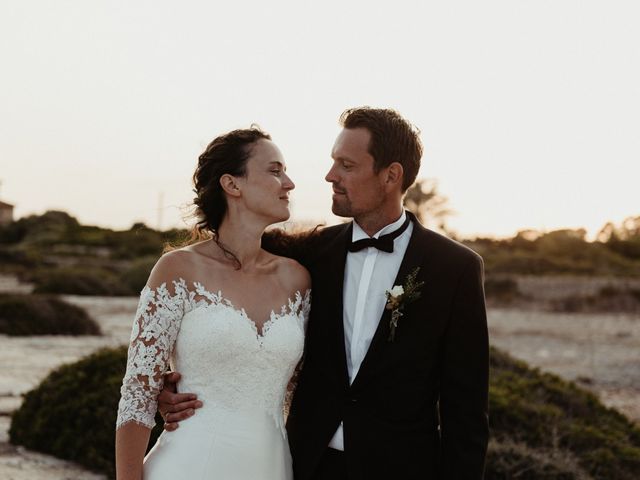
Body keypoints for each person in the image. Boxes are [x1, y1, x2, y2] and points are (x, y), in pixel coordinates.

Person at [160, 107, 489, 479]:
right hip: (306, 463)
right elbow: (221, 275)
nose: (330, 176)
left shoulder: (455, 268)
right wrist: (171, 382)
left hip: (401, 468)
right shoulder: (307, 254)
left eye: (346, 165)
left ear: (391, 176)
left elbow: (467, 410)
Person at [115, 127, 311, 480]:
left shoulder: (297, 280)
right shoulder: (177, 269)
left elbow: (307, 387)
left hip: (272, 468)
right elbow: (137, 396)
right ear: (232, 185)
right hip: (186, 466)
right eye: (275, 170)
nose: (289, 183)